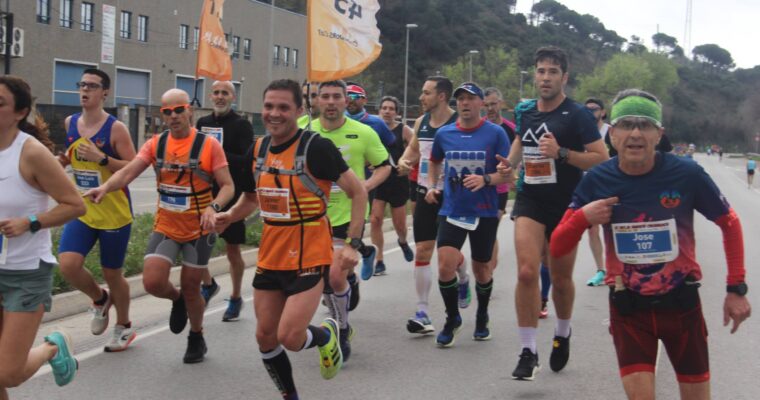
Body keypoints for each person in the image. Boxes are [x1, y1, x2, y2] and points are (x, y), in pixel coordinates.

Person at [550, 89, 751, 400]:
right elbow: (557, 246)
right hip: (629, 309)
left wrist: (736, 287)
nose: (635, 133)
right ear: (612, 134)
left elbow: (730, 223)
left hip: (681, 305)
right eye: (626, 124)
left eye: (644, 125)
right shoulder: (597, 180)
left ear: (659, 134)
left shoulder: (686, 174)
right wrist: (583, 218)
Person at [214, 79, 362, 399]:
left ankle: (326, 336)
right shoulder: (259, 149)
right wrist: (230, 216)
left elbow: (358, 191)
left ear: (298, 110)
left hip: (310, 252)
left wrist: (353, 243)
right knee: (265, 337)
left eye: (283, 107)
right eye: (269, 106)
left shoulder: (316, 147)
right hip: (272, 253)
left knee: (291, 337)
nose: (274, 113)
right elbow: (251, 199)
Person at [84, 88, 234, 364]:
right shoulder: (155, 144)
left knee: (192, 287)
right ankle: (177, 299)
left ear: (189, 111)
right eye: (167, 112)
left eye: (178, 110)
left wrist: (213, 208)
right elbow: (128, 172)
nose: (173, 116)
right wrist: (104, 188)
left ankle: (196, 335)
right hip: (166, 225)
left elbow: (227, 186)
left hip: (199, 229)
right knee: (152, 282)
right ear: (162, 115)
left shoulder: (208, 145)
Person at [504, 47, 608, 380]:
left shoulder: (578, 115)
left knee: (561, 279)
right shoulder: (525, 110)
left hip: (566, 203)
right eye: (540, 71)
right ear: (534, 75)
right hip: (530, 199)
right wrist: (509, 165)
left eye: (552, 72)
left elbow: (600, 158)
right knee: (526, 272)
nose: (545, 78)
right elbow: (521, 142)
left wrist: (562, 153)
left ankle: (562, 333)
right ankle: (528, 350)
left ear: (564, 77)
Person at [0, 75, 86, 397]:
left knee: (7, 373)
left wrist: (30, 222)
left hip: (25, 274)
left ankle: (53, 347)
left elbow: (75, 205)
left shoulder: (31, 153)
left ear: (20, 112)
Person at [56, 68, 138, 352]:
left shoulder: (116, 128)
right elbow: (71, 154)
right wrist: (61, 161)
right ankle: (100, 299)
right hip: (83, 209)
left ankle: (124, 326)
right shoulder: (70, 122)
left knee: (112, 273)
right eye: (82, 84)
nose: (85, 90)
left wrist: (102, 158)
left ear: (105, 93)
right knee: (68, 264)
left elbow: (133, 166)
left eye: (92, 86)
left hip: (114, 212)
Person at [311, 80, 391, 361]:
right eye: (325, 96)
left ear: (346, 101)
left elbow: (384, 166)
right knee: (324, 279)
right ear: (317, 101)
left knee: (333, 276)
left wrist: (364, 187)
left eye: (337, 96)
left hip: (348, 214)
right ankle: (350, 285)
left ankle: (341, 330)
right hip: (312, 215)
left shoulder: (364, 132)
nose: (331, 102)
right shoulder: (304, 131)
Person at [425, 82, 511, 346]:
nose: (464, 103)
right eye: (460, 99)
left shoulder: (495, 134)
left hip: (484, 211)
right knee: (444, 266)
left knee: (482, 269)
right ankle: (452, 318)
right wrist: (432, 186)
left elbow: (509, 174)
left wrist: (486, 179)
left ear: (480, 103)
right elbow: (434, 161)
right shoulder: (445, 134)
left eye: (470, 99)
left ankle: (482, 314)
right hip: (452, 209)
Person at [397, 76, 468, 334]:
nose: (421, 97)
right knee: (423, 250)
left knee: (447, 254)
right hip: (425, 192)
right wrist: (404, 161)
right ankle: (423, 312)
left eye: (426, 93)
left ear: (441, 96)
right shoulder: (421, 122)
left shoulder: (458, 122)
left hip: (452, 194)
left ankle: (463, 275)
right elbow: (414, 150)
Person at [196, 80, 255, 322]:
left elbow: (246, 160)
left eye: (225, 93)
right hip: (204, 193)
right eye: (216, 93)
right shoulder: (202, 123)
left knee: (232, 250)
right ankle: (208, 284)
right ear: (210, 96)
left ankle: (236, 296)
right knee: (195, 245)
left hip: (232, 194)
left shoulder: (241, 125)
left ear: (233, 97)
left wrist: (216, 152)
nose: (220, 97)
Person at [370, 95, 415, 276]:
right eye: (384, 108)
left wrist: (408, 164)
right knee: (375, 220)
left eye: (391, 109)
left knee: (400, 225)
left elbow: (417, 149)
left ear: (397, 113)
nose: (387, 111)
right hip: (378, 180)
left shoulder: (403, 130)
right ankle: (379, 260)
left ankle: (402, 241)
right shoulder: (372, 130)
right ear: (379, 111)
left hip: (398, 181)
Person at [483, 87, 515, 274]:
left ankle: (488, 273)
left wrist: (515, 175)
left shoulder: (511, 129)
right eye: (486, 105)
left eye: (493, 104)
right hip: (481, 186)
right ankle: (484, 268)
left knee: (490, 230)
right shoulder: (479, 126)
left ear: (501, 104)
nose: (490, 108)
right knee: (482, 232)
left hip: (500, 189)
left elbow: (518, 158)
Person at [584, 98, 610, 287]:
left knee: (614, 227)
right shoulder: (581, 132)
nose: (590, 112)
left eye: (594, 109)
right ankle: (601, 270)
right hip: (589, 185)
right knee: (592, 229)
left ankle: (618, 267)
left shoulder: (611, 132)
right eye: (586, 109)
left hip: (611, 184)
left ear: (603, 112)